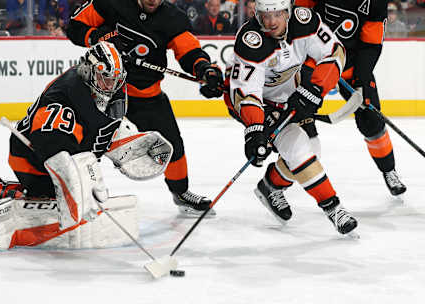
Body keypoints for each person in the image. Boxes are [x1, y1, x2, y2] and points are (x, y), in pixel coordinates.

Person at [0, 42, 173, 250]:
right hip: (31, 156)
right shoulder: (65, 96)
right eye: (105, 79)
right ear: (88, 71)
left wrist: (128, 144)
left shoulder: (110, 88)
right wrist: (79, 186)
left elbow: (106, 125)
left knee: (69, 193)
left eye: (114, 80)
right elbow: (53, 149)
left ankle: (3, 193)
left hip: (71, 147)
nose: (110, 86)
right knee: (50, 196)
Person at [66, 0, 224, 217]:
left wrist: (205, 69)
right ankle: (70, 189)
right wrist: (98, 36)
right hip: (102, 90)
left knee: (171, 144)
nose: (153, 0)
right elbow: (74, 27)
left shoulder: (172, 17)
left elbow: (189, 51)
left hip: (145, 94)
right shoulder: (110, 3)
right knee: (82, 141)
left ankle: (181, 192)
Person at [224, 0, 357, 234]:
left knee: (312, 147)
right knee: (299, 151)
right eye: (265, 15)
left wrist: (316, 89)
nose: (271, 21)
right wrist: (255, 130)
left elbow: (334, 52)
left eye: (277, 14)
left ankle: (270, 186)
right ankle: (333, 209)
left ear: (289, 12)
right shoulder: (250, 40)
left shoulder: (305, 20)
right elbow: (247, 94)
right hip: (256, 104)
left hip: (289, 94)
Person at [295, 0, 407, 197]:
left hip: (351, 65)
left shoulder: (376, 2)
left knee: (371, 119)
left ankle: (389, 170)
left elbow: (371, 45)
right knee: (298, 114)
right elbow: (298, 13)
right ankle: (274, 185)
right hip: (315, 60)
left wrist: (362, 80)